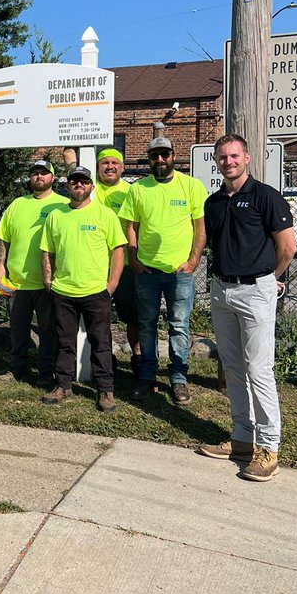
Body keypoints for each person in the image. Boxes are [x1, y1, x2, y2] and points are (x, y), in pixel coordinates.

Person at [198, 134, 297, 482]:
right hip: (222, 291)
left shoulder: (266, 197)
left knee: (259, 369)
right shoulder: (214, 203)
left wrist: (271, 279)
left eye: (234, 155)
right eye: (223, 156)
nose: (229, 161)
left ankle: (269, 447)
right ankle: (242, 439)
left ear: (247, 158)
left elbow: (287, 247)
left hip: (256, 291)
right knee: (233, 367)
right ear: (217, 160)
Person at [119, 131, 208, 405]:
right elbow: (130, 226)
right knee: (146, 324)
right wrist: (133, 259)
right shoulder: (138, 188)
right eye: (154, 155)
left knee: (178, 325)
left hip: (179, 274)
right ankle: (147, 377)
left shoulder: (191, 186)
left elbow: (200, 229)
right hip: (147, 272)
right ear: (148, 160)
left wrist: (193, 261)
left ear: (173, 156)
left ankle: (178, 378)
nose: (159, 159)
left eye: (164, 154)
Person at [40, 166, 127, 413]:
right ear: (67, 186)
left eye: (84, 181)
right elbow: (47, 251)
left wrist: (112, 285)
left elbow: (118, 250)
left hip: (96, 291)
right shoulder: (56, 216)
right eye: (74, 181)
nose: (79, 185)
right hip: (63, 291)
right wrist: (49, 281)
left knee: (101, 342)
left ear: (92, 186)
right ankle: (63, 385)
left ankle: (105, 390)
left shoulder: (105, 215)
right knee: (64, 342)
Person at [0, 160, 68, 386]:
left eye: (44, 174)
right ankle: (17, 369)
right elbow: (3, 237)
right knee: (18, 330)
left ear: (53, 178)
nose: (39, 177)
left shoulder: (63, 205)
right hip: (17, 282)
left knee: (48, 331)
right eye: (35, 173)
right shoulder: (17, 204)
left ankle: (46, 373)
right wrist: (0, 265)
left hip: (48, 282)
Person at [94, 147, 141, 375]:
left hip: (127, 265)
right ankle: (106, 359)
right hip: (95, 265)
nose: (110, 166)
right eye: (105, 162)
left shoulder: (132, 191)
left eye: (115, 162)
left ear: (122, 167)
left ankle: (138, 358)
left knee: (133, 317)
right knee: (100, 317)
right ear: (97, 167)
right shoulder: (90, 190)